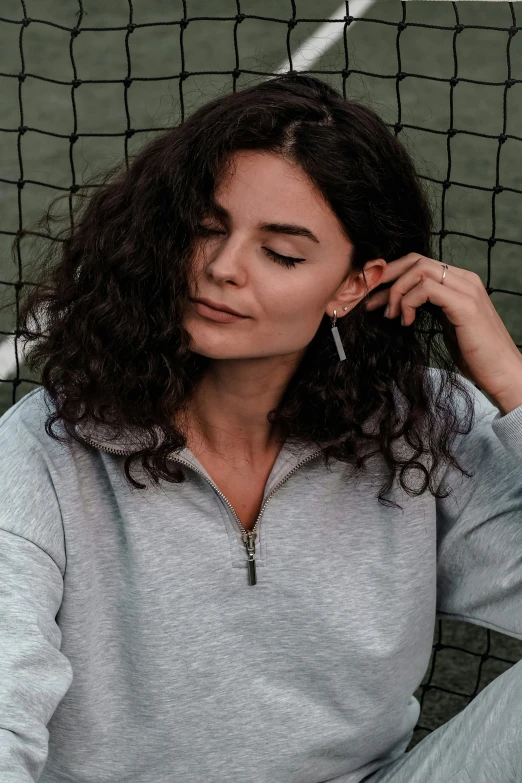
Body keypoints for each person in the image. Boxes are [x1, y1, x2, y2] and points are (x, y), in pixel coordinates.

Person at [1, 73, 522, 783]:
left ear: (353, 284)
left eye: (280, 252)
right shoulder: (42, 451)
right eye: (207, 229)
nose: (220, 268)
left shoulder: (425, 428)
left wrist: (513, 382)